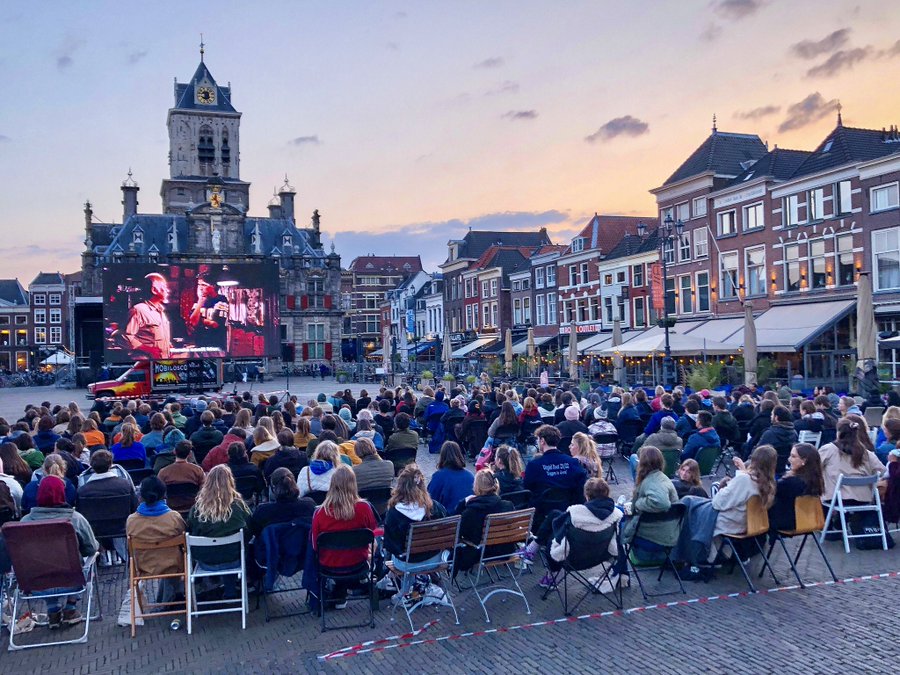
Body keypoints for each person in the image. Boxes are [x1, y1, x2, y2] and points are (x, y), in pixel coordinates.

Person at [21, 475, 99, 627]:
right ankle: (70, 607)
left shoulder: (24, 523)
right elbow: (91, 548)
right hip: (72, 581)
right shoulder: (75, 519)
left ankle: (53, 610)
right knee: (87, 560)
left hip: (37, 585)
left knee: (43, 562)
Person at [310, 465, 377, 607]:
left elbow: (315, 546)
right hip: (359, 563)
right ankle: (362, 584)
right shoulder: (364, 508)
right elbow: (372, 535)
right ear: (354, 484)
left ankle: (339, 592)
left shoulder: (320, 513)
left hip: (329, 565)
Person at [186, 465, 251, 599]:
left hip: (206, 561)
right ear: (230, 482)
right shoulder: (239, 506)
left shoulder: (197, 509)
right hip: (234, 559)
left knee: (219, 547)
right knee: (234, 547)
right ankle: (231, 590)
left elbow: (190, 529)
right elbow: (250, 528)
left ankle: (210, 587)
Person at [618, 445, 680, 587]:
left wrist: (638, 504)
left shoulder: (652, 481)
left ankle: (620, 574)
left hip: (653, 537)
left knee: (616, 525)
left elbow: (662, 503)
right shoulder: (663, 478)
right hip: (669, 534)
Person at [547, 477, 622, 590]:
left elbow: (559, 538)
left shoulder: (575, 514)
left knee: (551, 539)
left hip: (573, 560)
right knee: (555, 515)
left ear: (587, 495)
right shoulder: (616, 514)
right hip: (601, 556)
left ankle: (550, 576)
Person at [125, 476, 188, 606]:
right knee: (181, 553)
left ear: (141, 496)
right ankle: (179, 595)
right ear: (164, 495)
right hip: (174, 565)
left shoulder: (132, 521)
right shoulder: (173, 517)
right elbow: (185, 540)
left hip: (145, 567)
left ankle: (167, 598)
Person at [383, 464, 448, 571]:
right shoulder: (435, 507)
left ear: (400, 486)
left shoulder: (394, 513)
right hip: (434, 559)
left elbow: (391, 546)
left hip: (407, 563)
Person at [452, 470, 515, 574]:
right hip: (505, 550)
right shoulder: (508, 505)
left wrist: (462, 504)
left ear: (477, 487)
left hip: (481, 553)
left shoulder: (471, 511)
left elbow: (456, 531)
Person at [818, 417, 885, 508]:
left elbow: (814, 467)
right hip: (864, 498)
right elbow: (882, 471)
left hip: (836, 499)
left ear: (838, 433)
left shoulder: (828, 450)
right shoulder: (866, 453)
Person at [767, 443, 824, 533]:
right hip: (808, 520)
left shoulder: (791, 482)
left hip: (785, 522)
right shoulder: (815, 480)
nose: (789, 459)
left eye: (793, 456)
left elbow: (768, 490)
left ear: (804, 460)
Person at [524, 425, 587, 504]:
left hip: (542, 509)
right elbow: (581, 488)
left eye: (538, 440)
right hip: (568, 508)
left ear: (542, 441)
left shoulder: (533, 465)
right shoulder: (573, 462)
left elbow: (527, 488)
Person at [249, 468, 316, 537]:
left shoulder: (262, 511)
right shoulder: (309, 505)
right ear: (295, 484)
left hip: (272, 547)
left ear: (273, 489)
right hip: (303, 547)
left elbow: (255, 532)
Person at [123, 272, 172, 359]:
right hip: (145, 363)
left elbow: (154, 337)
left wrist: (167, 345)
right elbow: (127, 337)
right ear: (154, 290)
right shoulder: (139, 310)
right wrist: (149, 349)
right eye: (164, 287)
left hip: (162, 362)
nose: (167, 290)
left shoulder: (161, 312)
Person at [427, 441, 475, 512]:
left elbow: (430, 501)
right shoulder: (470, 476)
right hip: (467, 517)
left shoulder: (438, 476)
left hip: (448, 519)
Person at [158, 440, 206, 510]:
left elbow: (160, 492)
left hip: (171, 509)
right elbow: (203, 490)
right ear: (190, 454)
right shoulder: (198, 470)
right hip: (192, 508)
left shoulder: (163, 472)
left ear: (174, 451)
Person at [187, 273, 229, 353]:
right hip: (200, 345)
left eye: (204, 285)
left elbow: (215, 324)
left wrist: (201, 321)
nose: (200, 288)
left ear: (213, 286)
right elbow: (192, 322)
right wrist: (200, 302)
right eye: (199, 285)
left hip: (216, 346)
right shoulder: (198, 302)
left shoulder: (221, 300)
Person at [756, 406, 798, 476]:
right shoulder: (794, 433)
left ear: (776, 417)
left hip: (767, 469)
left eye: (772, 414)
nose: (770, 416)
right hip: (784, 467)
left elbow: (758, 453)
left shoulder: (769, 434)